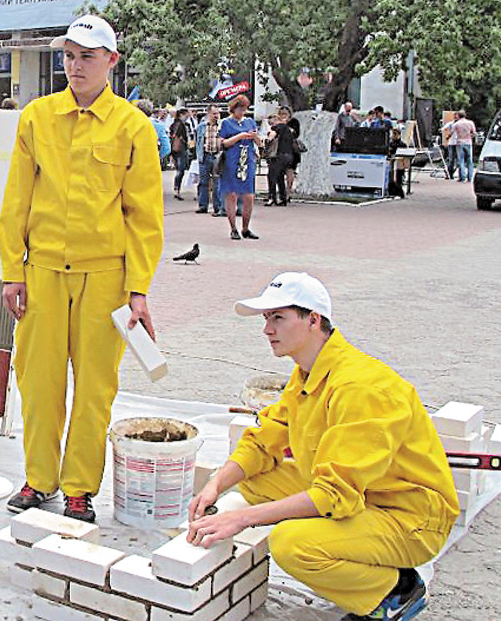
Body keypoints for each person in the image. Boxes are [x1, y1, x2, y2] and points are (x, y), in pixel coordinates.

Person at [186, 272, 457, 621]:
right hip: (368, 493)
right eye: (267, 319)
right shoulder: (307, 372)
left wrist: (241, 519)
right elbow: (265, 438)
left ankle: (394, 592)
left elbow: (334, 496)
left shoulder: (360, 388)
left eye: (278, 318)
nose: (267, 329)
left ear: (313, 320)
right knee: (256, 483)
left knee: (293, 545)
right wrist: (216, 485)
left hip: (411, 517)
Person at [0, 14, 163, 523]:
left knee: (94, 388)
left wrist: (138, 289)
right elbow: (16, 201)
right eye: (68, 56)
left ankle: (78, 488)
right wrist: (12, 271)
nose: (75, 67)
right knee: (38, 382)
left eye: (87, 57)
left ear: (111, 61)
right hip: (43, 271)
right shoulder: (36, 118)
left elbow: (144, 217)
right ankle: (38, 479)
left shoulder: (133, 126)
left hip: (105, 277)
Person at [219, 95, 261, 241]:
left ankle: (245, 228)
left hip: (247, 160)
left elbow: (260, 143)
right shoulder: (226, 123)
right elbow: (223, 143)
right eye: (240, 109)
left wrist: (255, 137)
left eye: (244, 109)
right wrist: (240, 136)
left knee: (249, 196)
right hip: (232, 161)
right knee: (232, 195)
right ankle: (233, 228)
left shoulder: (250, 122)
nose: (242, 112)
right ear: (233, 108)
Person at [195, 104, 223, 216]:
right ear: (208, 113)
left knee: (217, 182)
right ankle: (203, 206)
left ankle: (218, 206)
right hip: (205, 156)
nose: (216, 115)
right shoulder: (201, 126)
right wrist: (199, 155)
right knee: (203, 182)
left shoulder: (221, 126)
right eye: (214, 113)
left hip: (217, 156)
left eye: (217, 113)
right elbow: (198, 141)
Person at [265, 108, 294, 206]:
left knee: (271, 176)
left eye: (271, 123)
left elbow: (271, 136)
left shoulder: (277, 127)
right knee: (280, 176)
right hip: (289, 155)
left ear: (275, 120)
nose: (270, 125)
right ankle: (283, 198)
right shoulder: (287, 129)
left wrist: (268, 139)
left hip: (278, 155)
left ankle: (272, 197)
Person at [281, 106, 301, 198]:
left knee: (290, 171)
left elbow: (294, 133)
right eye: (281, 113)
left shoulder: (294, 122)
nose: (283, 115)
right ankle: (280, 192)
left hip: (291, 150)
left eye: (285, 113)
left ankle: (288, 192)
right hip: (279, 150)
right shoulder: (277, 121)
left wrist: (285, 125)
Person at [452, 110, 477, 183]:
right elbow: (474, 133)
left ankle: (462, 177)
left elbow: (452, 132)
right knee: (469, 160)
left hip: (460, 142)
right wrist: (470, 136)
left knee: (461, 160)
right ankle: (470, 177)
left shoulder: (457, 124)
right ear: (465, 115)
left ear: (458, 116)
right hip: (468, 142)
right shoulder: (470, 122)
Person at [170, 109, 190, 200]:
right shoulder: (180, 124)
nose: (187, 116)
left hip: (175, 149)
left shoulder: (174, 124)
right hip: (180, 148)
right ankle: (176, 189)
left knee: (179, 169)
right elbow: (178, 136)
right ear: (181, 114)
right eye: (186, 114)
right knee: (180, 170)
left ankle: (176, 189)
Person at [442, 113, 459, 180]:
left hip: (458, 143)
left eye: (457, 116)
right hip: (452, 143)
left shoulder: (460, 124)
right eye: (455, 116)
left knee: (457, 159)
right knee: (451, 159)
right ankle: (450, 174)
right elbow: (444, 128)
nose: (455, 117)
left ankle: (454, 172)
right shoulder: (451, 123)